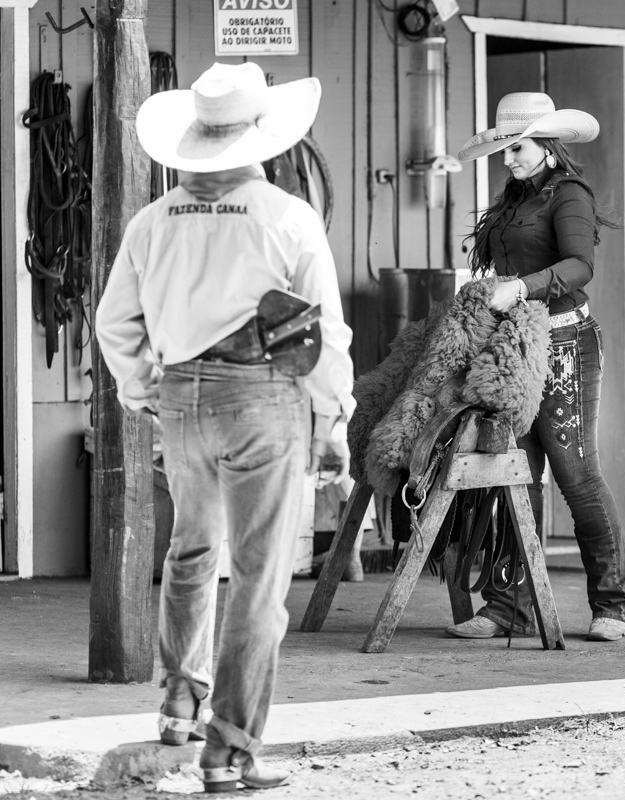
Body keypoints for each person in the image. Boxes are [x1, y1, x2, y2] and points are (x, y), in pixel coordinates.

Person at [95, 62, 355, 792]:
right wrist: (335, 417)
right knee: (259, 578)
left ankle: (180, 701)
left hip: (181, 396)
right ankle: (231, 749)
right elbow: (323, 335)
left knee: (191, 552)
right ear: (260, 139)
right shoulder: (286, 217)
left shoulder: (152, 223)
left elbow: (115, 323)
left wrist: (147, 389)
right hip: (262, 398)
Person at [447, 91, 625, 643]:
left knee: (576, 475)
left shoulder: (568, 194)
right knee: (516, 476)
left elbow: (580, 266)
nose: (508, 158)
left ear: (549, 147)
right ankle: (510, 606)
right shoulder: (513, 198)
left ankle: (613, 604)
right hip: (515, 349)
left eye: (518, 147)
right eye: (504, 149)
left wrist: (521, 288)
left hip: (565, 343)